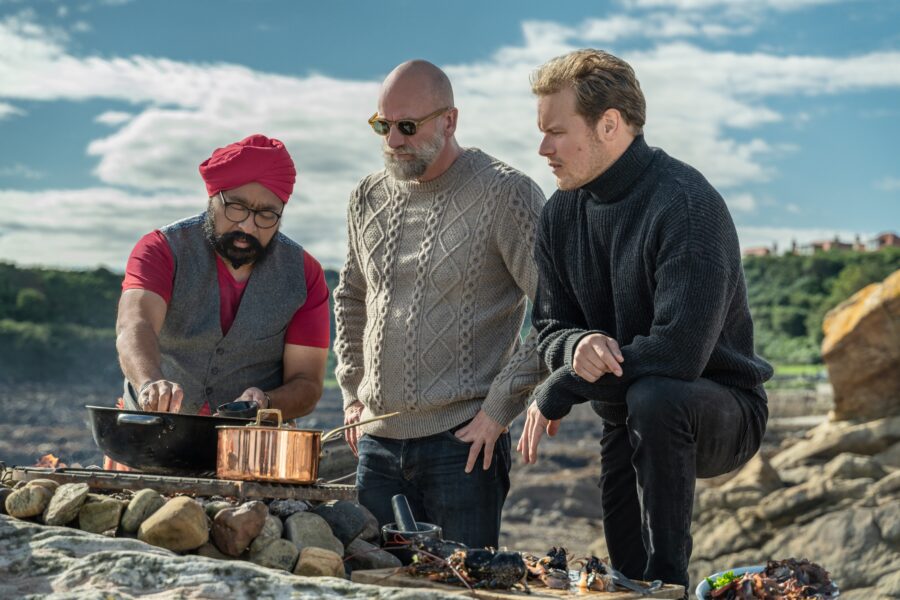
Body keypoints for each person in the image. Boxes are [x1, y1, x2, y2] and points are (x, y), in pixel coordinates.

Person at [517, 49, 773, 591]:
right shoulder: (560, 213)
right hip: (624, 412)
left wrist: (564, 382)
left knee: (655, 395)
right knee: (623, 576)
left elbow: (678, 353)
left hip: (719, 409)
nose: (543, 149)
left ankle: (673, 582)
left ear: (609, 124)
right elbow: (548, 327)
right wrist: (576, 345)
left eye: (556, 132)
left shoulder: (685, 204)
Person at [334, 60, 546, 549]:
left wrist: (499, 409)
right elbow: (350, 296)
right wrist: (350, 390)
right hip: (375, 442)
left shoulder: (505, 192)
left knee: (462, 589)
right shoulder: (366, 196)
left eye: (407, 127)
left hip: (464, 445)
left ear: (449, 120)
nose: (393, 140)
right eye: (381, 126)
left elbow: (558, 311)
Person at [115, 134, 330, 420]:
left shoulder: (305, 275)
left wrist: (265, 402)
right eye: (236, 207)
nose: (248, 226)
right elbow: (135, 326)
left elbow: (307, 383)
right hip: (151, 434)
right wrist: (150, 382)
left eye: (267, 214)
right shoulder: (161, 249)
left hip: (252, 447)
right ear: (212, 199)